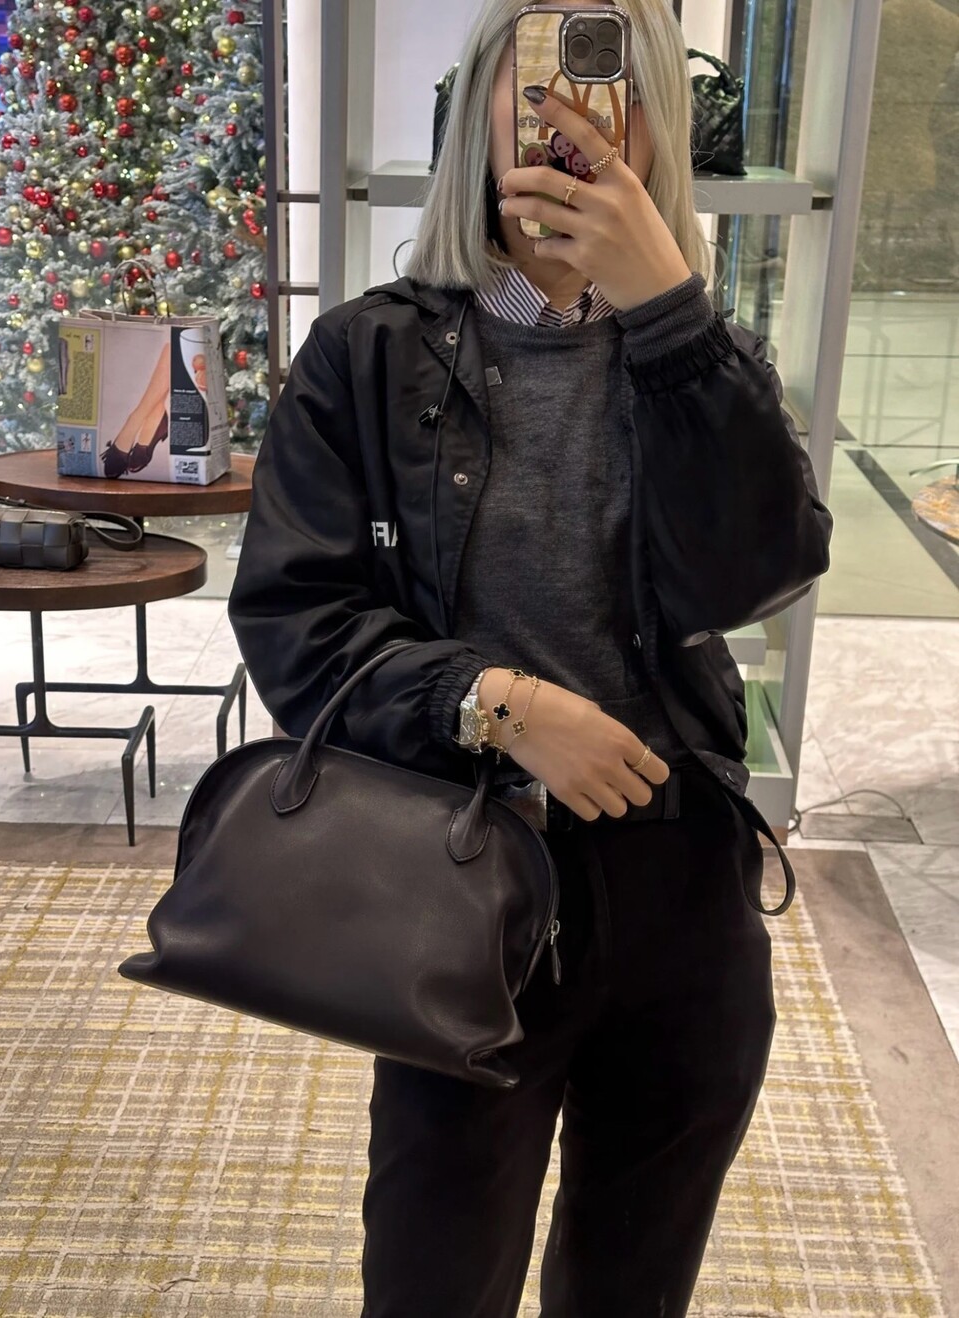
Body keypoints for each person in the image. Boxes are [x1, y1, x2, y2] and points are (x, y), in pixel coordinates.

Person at [228, 0, 834, 1313]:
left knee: (635, 1278)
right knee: (436, 1271)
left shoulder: (703, 358)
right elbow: (294, 621)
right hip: (463, 886)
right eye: (535, 82)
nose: (569, 116)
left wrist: (670, 312)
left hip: (681, 885)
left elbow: (763, 570)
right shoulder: (367, 356)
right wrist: (494, 704)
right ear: (480, 114)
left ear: (653, 127)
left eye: (611, 90)